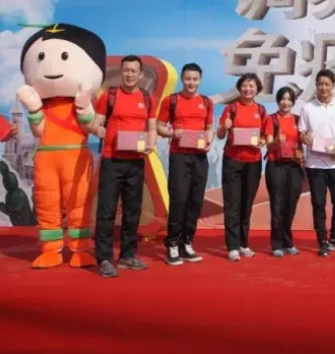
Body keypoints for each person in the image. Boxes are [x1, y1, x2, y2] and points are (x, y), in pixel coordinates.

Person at [17, 23, 106, 269]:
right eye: (41, 57)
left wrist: (84, 107)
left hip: (76, 157)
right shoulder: (42, 105)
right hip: (46, 158)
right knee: (47, 203)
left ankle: (80, 248)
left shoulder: (81, 102)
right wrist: (34, 110)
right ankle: (50, 249)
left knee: (79, 204)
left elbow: (88, 126)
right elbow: (38, 131)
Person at [92, 55, 158, 278]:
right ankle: (104, 258)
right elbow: (96, 123)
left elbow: (151, 127)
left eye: (133, 71)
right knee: (106, 211)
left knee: (132, 210)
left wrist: (151, 144)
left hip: (136, 162)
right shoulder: (109, 96)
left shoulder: (147, 99)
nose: (129, 74)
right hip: (111, 160)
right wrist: (97, 130)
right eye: (126, 70)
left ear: (141, 75)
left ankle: (127, 255)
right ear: (121, 72)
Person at [157, 63, 214, 266]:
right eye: (188, 79)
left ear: (200, 80)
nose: (191, 83)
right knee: (179, 199)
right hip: (179, 156)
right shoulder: (171, 100)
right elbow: (159, 127)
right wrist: (172, 133)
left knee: (195, 201)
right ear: (182, 79)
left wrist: (208, 140)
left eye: (195, 79)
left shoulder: (206, 102)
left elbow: (209, 128)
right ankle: (172, 243)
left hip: (199, 157)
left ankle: (187, 242)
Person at [298, 69, 335, 257]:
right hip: (315, 165)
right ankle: (322, 240)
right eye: (320, 84)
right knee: (319, 203)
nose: (323, 88)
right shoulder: (308, 108)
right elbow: (302, 133)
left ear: (333, 86)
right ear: (316, 86)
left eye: (327, 84)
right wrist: (307, 141)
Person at [217, 73, 266, 262]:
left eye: (252, 86)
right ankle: (232, 246)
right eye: (245, 85)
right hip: (233, 161)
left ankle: (243, 243)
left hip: (253, 162)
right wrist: (225, 126)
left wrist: (262, 141)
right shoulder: (231, 108)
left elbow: (265, 136)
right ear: (240, 88)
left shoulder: (261, 110)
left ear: (257, 89)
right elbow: (220, 135)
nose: (248, 89)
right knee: (232, 204)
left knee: (246, 204)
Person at [264, 87, 304, 258]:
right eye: (283, 99)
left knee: (291, 205)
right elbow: (268, 144)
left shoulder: (298, 120)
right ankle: (276, 244)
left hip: (294, 166)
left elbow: (302, 141)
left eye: (289, 99)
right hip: (276, 166)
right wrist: (276, 141)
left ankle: (288, 242)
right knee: (277, 204)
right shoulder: (271, 119)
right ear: (278, 101)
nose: (285, 102)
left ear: (293, 102)